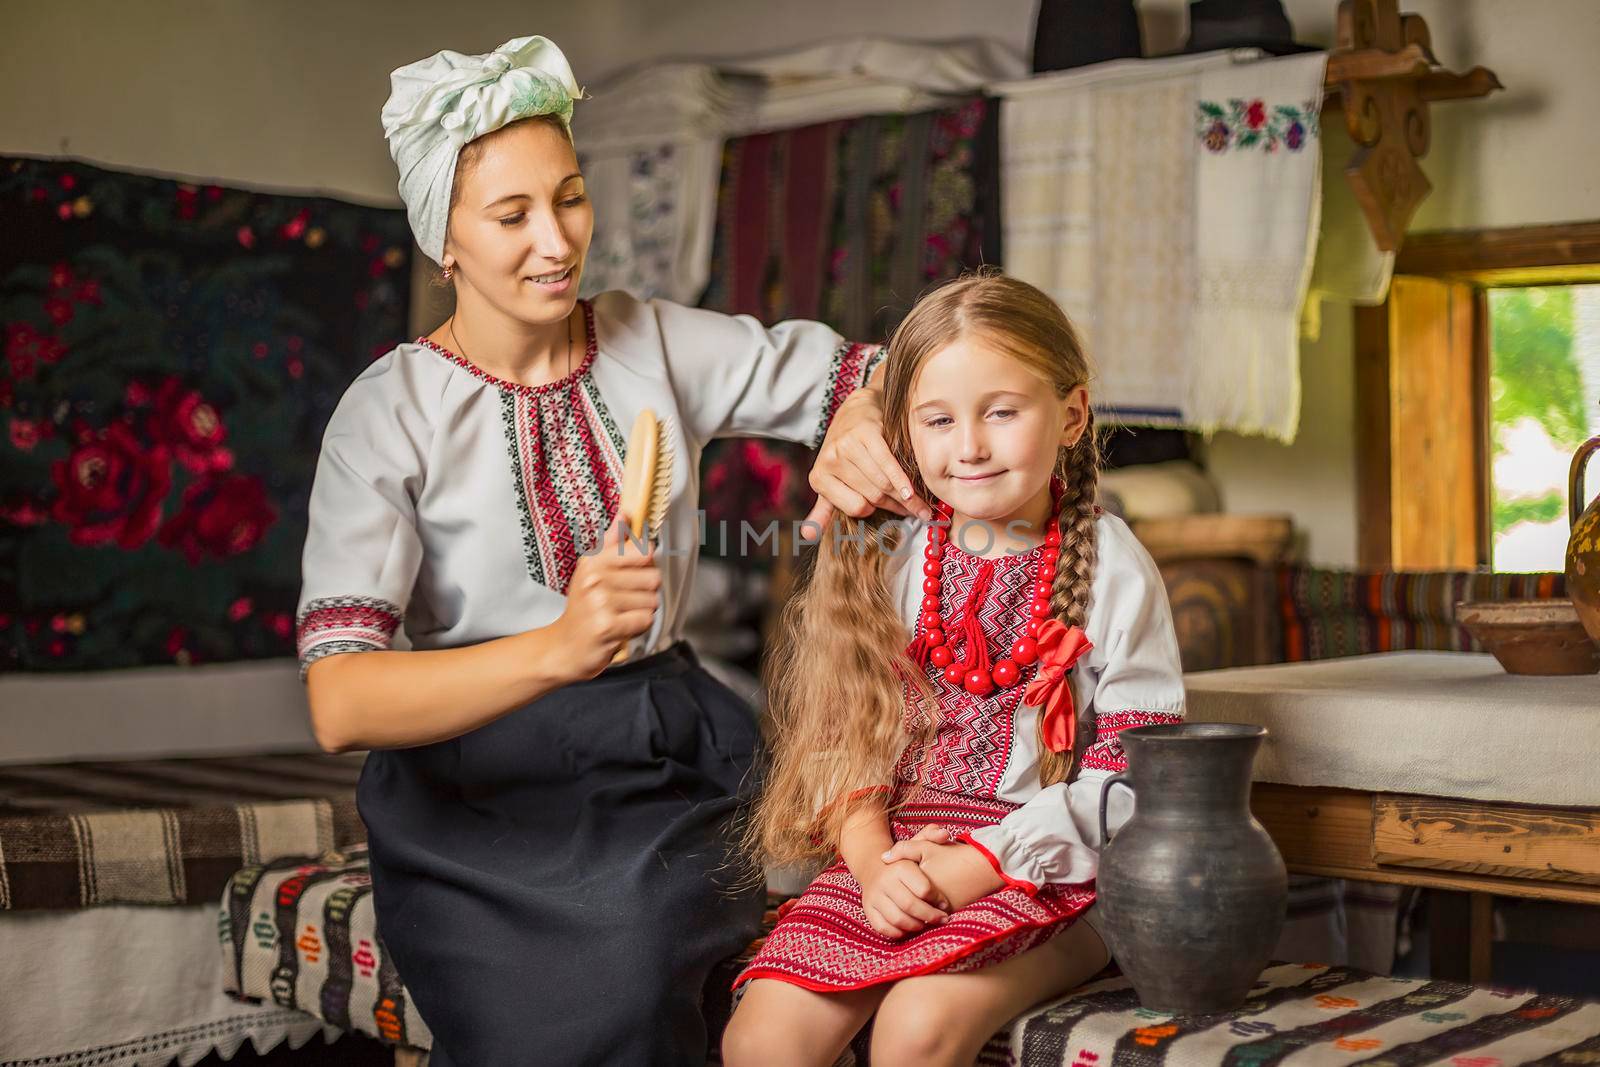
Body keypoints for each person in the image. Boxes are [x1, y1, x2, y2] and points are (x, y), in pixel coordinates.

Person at [298, 35, 923, 1066]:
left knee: (803, 925)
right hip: (482, 785)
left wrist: (860, 415)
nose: (556, 240)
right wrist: (560, 644)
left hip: (667, 740)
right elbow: (342, 700)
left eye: (571, 197)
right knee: (621, 973)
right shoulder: (389, 415)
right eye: (511, 215)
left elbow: (872, 368)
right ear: (441, 239)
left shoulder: (649, 341)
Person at [723, 273, 1187, 1067]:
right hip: (896, 857)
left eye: (1001, 412)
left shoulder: (1114, 568)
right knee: (763, 1038)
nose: (968, 446)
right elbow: (848, 736)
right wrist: (873, 866)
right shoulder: (891, 553)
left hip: (1053, 876)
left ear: (1072, 414)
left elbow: (1136, 779)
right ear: (905, 429)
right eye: (937, 420)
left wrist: (979, 864)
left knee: (916, 1026)